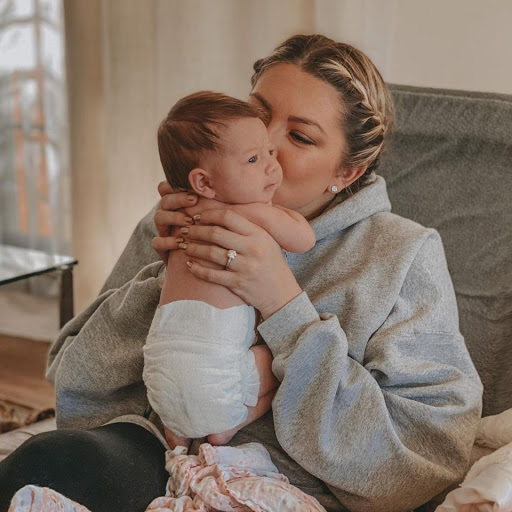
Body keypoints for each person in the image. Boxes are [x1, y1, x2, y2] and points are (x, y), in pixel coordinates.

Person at [0, 34, 483, 512]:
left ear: (348, 172)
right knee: (42, 462)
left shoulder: (401, 253)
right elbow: (71, 375)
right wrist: (170, 275)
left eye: (299, 136)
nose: (263, 144)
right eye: (257, 115)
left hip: (291, 486)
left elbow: (426, 458)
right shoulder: (180, 211)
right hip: (156, 457)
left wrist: (284, 308)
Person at [144, 90, 315, 450]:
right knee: (274, 364)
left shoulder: (178, 217)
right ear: (203, 182)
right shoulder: (244, 212)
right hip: (218, 379)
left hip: (159, 375)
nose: (273, 164)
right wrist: (277, 215)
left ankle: (177, 432)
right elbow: (303, 239)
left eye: (269, 151)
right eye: (254, 158)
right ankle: (228, 424)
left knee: (181, 400)